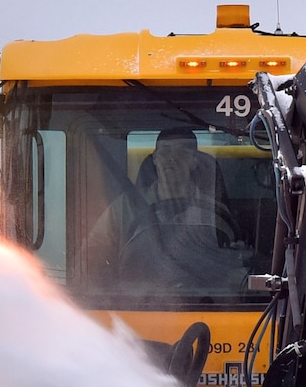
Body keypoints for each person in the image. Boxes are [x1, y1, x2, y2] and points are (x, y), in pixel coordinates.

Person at [83, 127, 248, 296]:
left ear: (194, 161)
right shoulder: (124, 208)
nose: (171, 159)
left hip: (203, 303)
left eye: (181, 153)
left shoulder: (214, 212)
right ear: (154, 158)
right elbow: (91, 256)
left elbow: (231, 265)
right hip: (136, 305)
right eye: (165, 152)